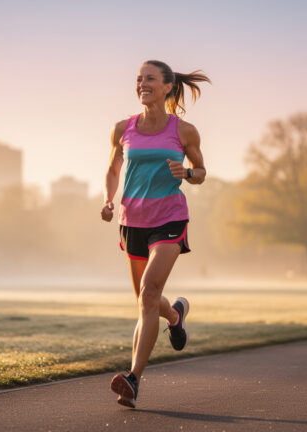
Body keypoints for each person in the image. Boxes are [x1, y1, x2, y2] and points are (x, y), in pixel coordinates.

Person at [100, 60, 209, 408]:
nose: (142, 84)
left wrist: (188, 173)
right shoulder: (122, 129)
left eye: (150, 79)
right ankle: (175, 316)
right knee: (147, 301)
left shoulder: (184, 131)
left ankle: (133, 379)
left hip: (169, 218)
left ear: (167, 87)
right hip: (132, 221)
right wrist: (108, 199)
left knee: (148, 293)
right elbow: (114, 167)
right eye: (138, 79)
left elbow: (202, 171)